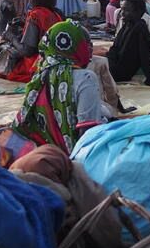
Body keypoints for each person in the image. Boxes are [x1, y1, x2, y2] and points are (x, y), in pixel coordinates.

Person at [13, 21, 106, 152]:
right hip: (73, 153)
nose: (90, 48)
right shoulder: (86, 78)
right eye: (86, 43)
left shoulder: (39, 77)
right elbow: (87, 132)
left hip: (42, 150)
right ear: (73, 46)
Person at [0, 0, 63, 82]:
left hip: (39, 63)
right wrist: (24, 23)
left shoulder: (35, 15)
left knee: (5, 62)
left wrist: (11, 37)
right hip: (56, 58)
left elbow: (27, 51)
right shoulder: (56, 13)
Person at [107, 0, 150, 86]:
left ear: (138, 12)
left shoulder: (140, 27)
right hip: (115, 67)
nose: (122, 13)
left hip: (122, 72)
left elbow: (144, 53)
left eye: (126, 10)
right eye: (122, 10)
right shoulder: (127, 25)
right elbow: (114, 48)